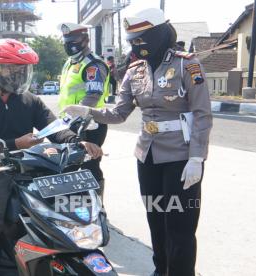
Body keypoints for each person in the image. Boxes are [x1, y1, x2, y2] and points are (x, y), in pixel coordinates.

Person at [63, 8, 212, 276]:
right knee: (156, 220)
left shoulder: (186, 64)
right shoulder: (135, 70)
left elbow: (202, 113)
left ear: (157, 35)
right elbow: (119, 113)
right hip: (148, 156)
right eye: (133, 41)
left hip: (180, 156)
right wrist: (89, 112)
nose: (136, 46)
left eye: (140, 40)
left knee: (180, 225)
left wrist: (196, 158)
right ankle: (161, 270)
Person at [0, 39, 102, 276]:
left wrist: (78, 142)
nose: (17, 75)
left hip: (34, 168)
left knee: (74, 217)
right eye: (11, 70)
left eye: (22, 70)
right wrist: (15, 143)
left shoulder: (29, 100)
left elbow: (54, 128)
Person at [57, 22, 111, 196]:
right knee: (68, 165)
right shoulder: (70, 63)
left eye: (74, 40)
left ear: (85, 40)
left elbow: (93, 97)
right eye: (66, 40)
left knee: (90, 165)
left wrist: (75, 116)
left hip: (90, 124)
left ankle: (97, 208)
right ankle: (73, 207)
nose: (69, 44)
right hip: (69, 122)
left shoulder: (93, 65)